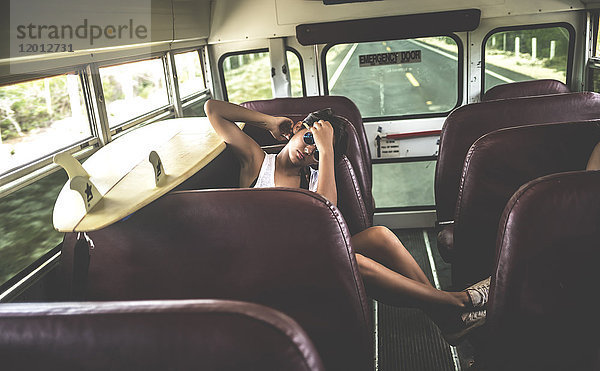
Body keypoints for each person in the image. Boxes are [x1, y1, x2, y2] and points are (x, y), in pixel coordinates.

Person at [204, 99, 490, 345]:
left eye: (317, 152)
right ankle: (456, 304)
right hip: (269, 266)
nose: (308, 152)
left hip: (309, 257)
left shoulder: (315, 178)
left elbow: (324, 216)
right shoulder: (256, 162)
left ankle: (448, 320)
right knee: (354, 261)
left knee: (380, 235)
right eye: (308, 140)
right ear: (298, 129)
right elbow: (213, 109)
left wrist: (326, 151)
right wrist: (270, 121)